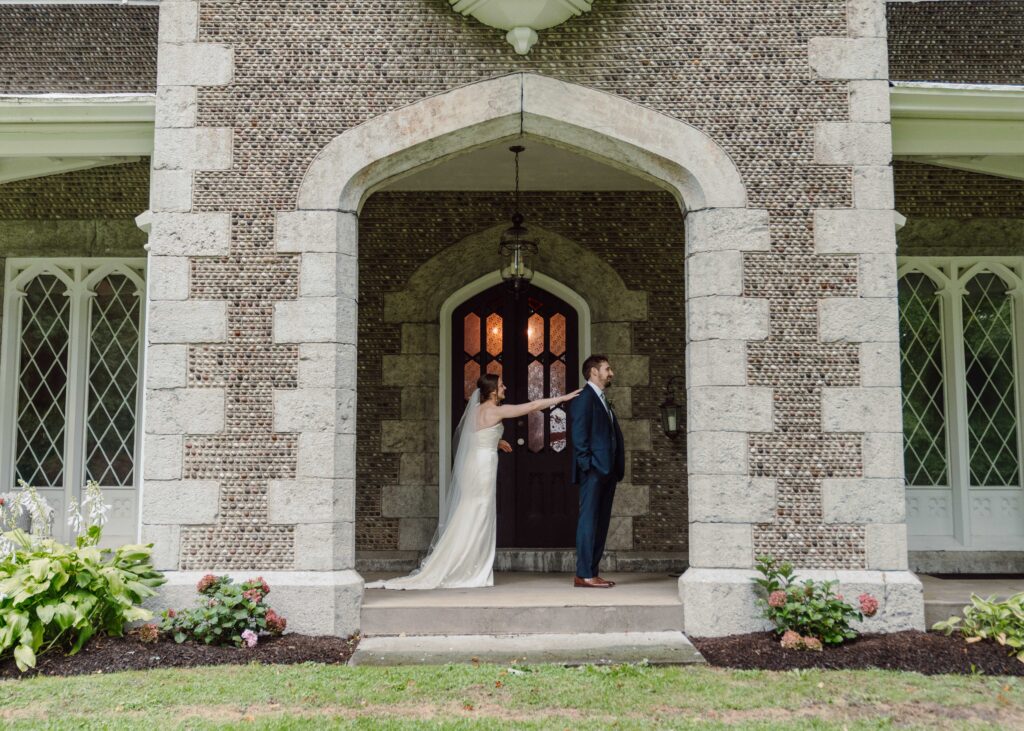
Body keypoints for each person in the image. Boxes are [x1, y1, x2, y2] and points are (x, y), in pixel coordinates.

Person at [367, 373, 580, 590]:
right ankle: (468, 566)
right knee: (479, 511)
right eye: (501, 385)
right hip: (483, 466)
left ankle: (458, 561)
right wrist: (562, 398)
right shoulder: (496, 411)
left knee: (469, 510)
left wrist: (496, 441)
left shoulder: (476, 411)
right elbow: (533, 405)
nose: (505, 387)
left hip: (472, 464)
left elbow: (475, 436)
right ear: (493, 391)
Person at [569, 355, 624, 588]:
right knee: (589, 522)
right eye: (607, 369)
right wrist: (588, 466)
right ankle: (583, 573)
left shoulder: (602, 399)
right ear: (593, 372)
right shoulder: (584, 399)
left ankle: (592, 571)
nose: (611, 373)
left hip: (608, 471)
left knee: (600, 523)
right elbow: (579, 437)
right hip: (594, 471)